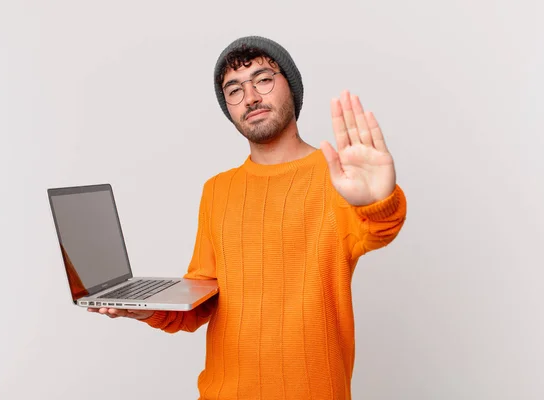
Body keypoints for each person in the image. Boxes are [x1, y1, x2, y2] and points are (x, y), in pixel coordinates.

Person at [89, 35, 407, 399]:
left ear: (292, 86)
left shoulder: (337, 176)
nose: (251, 97)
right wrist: (142, 309)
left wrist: (378, 199)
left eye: (263, 79)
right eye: (234, 90)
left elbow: (380, 229)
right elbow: (198, 305)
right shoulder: (217, 190)